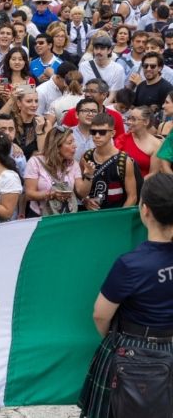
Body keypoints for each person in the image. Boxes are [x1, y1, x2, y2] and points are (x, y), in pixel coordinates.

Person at [78, 173, 173, 418]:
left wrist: (114, 340)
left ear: (145, 210)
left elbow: (100, 316)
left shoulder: (131, 265)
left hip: (132, 349)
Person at [23, 126, 92, 217]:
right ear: (56, 146)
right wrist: (51, 194)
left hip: (66, 217)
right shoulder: (35, 162)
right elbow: (29, 194)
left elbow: (81, 192)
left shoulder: (73, 164)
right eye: (69, 142)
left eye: (74, 141)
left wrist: (89, 176)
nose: (75, 146)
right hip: (40, 217)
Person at [79, 113, 139, 210]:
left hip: (114, 215)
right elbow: (79, 189)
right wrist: (85, 200)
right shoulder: (86, 157)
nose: (97, 136)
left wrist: (118, 219)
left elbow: (132, 197)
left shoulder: (124, 161)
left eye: (102, 132)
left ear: (113, 133)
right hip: (90, 215)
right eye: (93, 132)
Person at [116, 106, 162, 177]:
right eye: (129, 118)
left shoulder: (156, 145)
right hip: (119, 182)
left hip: (143, 185)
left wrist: (135, 185)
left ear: (146, 122)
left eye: (133, 119)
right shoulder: (122, 138)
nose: (129, 122)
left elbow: (153, 173)